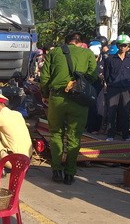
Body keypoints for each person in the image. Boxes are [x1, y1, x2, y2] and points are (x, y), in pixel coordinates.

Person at [40, 32, 98, 184]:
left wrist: (45, 94)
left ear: (66, 42)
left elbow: (45, 77)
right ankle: (70, 173)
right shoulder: (88, 53)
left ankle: (57, 170)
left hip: (57, 98)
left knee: (56, 134)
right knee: (74, 137)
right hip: (79, 100)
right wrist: (79, 82)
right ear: (80, 43)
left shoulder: (54, 52)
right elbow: (94, 76)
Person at [104, 34, 130, 141]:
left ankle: (125, 135)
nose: (122, 47)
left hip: (126, 89)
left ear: (128, 47)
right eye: (120, 45)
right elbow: (106, 75)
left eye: (125, 45)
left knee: (125, 112)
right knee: (111, 112)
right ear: (117, 46)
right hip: (113, 88)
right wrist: (111, 84)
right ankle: (110, 135)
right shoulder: (110, 59)